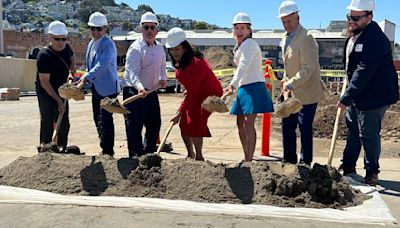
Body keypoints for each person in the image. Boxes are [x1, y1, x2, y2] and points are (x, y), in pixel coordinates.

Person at [338, 0, 399, 185]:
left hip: (375, 95)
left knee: (368, 133)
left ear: (369, 17)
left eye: (356, 17)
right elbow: (351, 67)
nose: (351, 21)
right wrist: (349, 91)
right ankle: (348, 166)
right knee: (353, 128)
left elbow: (363, 70)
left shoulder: (375, 38)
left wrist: (346, 97)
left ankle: (372, 172)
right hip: (358, 93)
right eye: (350, 16)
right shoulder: (353, 37)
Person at [278, 1, 325, 165]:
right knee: (287, 127)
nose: (286, 25)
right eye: (283, 22)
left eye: (289, 21)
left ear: (297, 17)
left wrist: (291, 82)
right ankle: (289, 160)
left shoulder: (306, 37)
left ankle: (305, 163)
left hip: (307, 93)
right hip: (290, 93)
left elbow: (308, 67)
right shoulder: (284, 38)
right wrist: (285, 80)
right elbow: (288, 65)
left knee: (304, 128)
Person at [166, 27, 223, 161]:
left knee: (195, 121)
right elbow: (191, 88)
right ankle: (190, 154)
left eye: (177, 49)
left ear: (184, 48)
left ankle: (199, 156)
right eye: (172, 49)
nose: (174, 52)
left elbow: (192, 93)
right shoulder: (181, 62)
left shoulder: (195, 64)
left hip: (210, 94)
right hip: (197, 91)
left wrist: (179, 113)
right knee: (183, 124)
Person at [226, 13, 274, 162]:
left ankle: (249, 159)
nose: (239, 31)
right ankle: (246, 155)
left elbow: (243, 66)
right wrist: (235, 84)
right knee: (240, 123)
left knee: (248, 123)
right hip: (243, 87)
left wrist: (232, 84)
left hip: (253, 86)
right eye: (236, 28)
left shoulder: (250, 44)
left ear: (249, 30)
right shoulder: (239, 46)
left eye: (242, 28)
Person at [122, 12, 167, 157]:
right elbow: (132, 73)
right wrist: (140, 88)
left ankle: (148, 155)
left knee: (155, 123)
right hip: (134, 91)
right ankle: (135, 156)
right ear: (141, 29)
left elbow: (162, 66)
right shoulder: (135, 49)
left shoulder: (160, 48)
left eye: (152, 27)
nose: (149, 30)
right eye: (146, 27)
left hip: (151, 91)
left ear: (157, 30)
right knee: (135, 126)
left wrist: (163, 78)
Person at [77, 12, 121, 156]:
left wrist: (86, 77)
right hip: (96, 88)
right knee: (98, 118)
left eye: (99, 29)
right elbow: (90, 66)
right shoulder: (91, 44)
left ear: (105, 29)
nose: (95, 32)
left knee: (106, 120)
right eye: (93, 29)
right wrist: (82, 78)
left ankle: (108, 151)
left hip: (108, 89)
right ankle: (104, 147)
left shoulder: (108, 44)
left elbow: (102, 64)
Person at [35, 21, 74, 151]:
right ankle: (46, 147)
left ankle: (61, 147)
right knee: (48, 118)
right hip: (46, 91)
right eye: (57, 39)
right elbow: (44, 82)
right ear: (50, 38)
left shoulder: (67, 48)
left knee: (64, 121)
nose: (61, 42)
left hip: (62, 89)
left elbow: (71, 58)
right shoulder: (44, 55)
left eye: (64, 38)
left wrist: (71, 73)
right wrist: (58, 101)